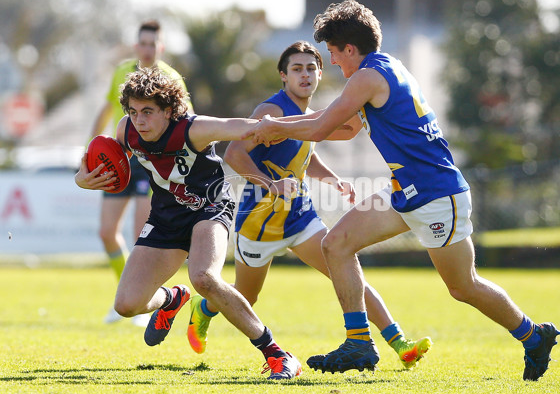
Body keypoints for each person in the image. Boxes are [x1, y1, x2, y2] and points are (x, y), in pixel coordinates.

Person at [248, 0, 560, 381]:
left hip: (435, 195)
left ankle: (533, 335)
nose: (331, 62)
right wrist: (278, 124)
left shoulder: (365, 77)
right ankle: (359, 342)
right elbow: (341, 127)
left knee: (463, 287)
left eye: (332, 53)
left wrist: (274, 127)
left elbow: (320, 128)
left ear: (349, 49)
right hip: (407, 190)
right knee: (336, 244)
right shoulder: (385, 66)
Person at [186, 41, 432, 370]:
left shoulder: (308, 116)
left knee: (346, 268)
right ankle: (204, 309)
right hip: (260, 224)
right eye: (297, 69)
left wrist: (333, 181)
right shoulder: (268, 111)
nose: (305, 75)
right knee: (246, 295)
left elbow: (305, 154)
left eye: (311, 68)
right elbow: (234, 154)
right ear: (283, 77)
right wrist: (271, 185)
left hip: (300, 218)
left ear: (319, 74)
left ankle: (400, 343)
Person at [75, 67, 301, 380]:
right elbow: (104, 158)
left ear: (169, 111)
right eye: (133, 111)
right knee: (126, 305)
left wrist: (314, 125)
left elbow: (245, 127)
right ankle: (172, 298)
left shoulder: (193, 129)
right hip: (166, 216)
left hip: (210, 206)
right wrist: (81, 178)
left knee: (204, 278)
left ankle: (277, 354)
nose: (139, 120)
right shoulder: (127, 129)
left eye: (148, 112)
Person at [88, 20, 192, 326]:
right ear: (136, 47)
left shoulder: (172, 79)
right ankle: (125, 291)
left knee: (140, 237)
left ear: (160, 48)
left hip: (153, 163)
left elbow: (187, 121)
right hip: (119, 158)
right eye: (142, 43)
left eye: (152, 44)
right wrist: (88, 152)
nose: (147, 49)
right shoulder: (122, 72)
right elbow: (107, 111)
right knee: (107, 232)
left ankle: (144, 297)